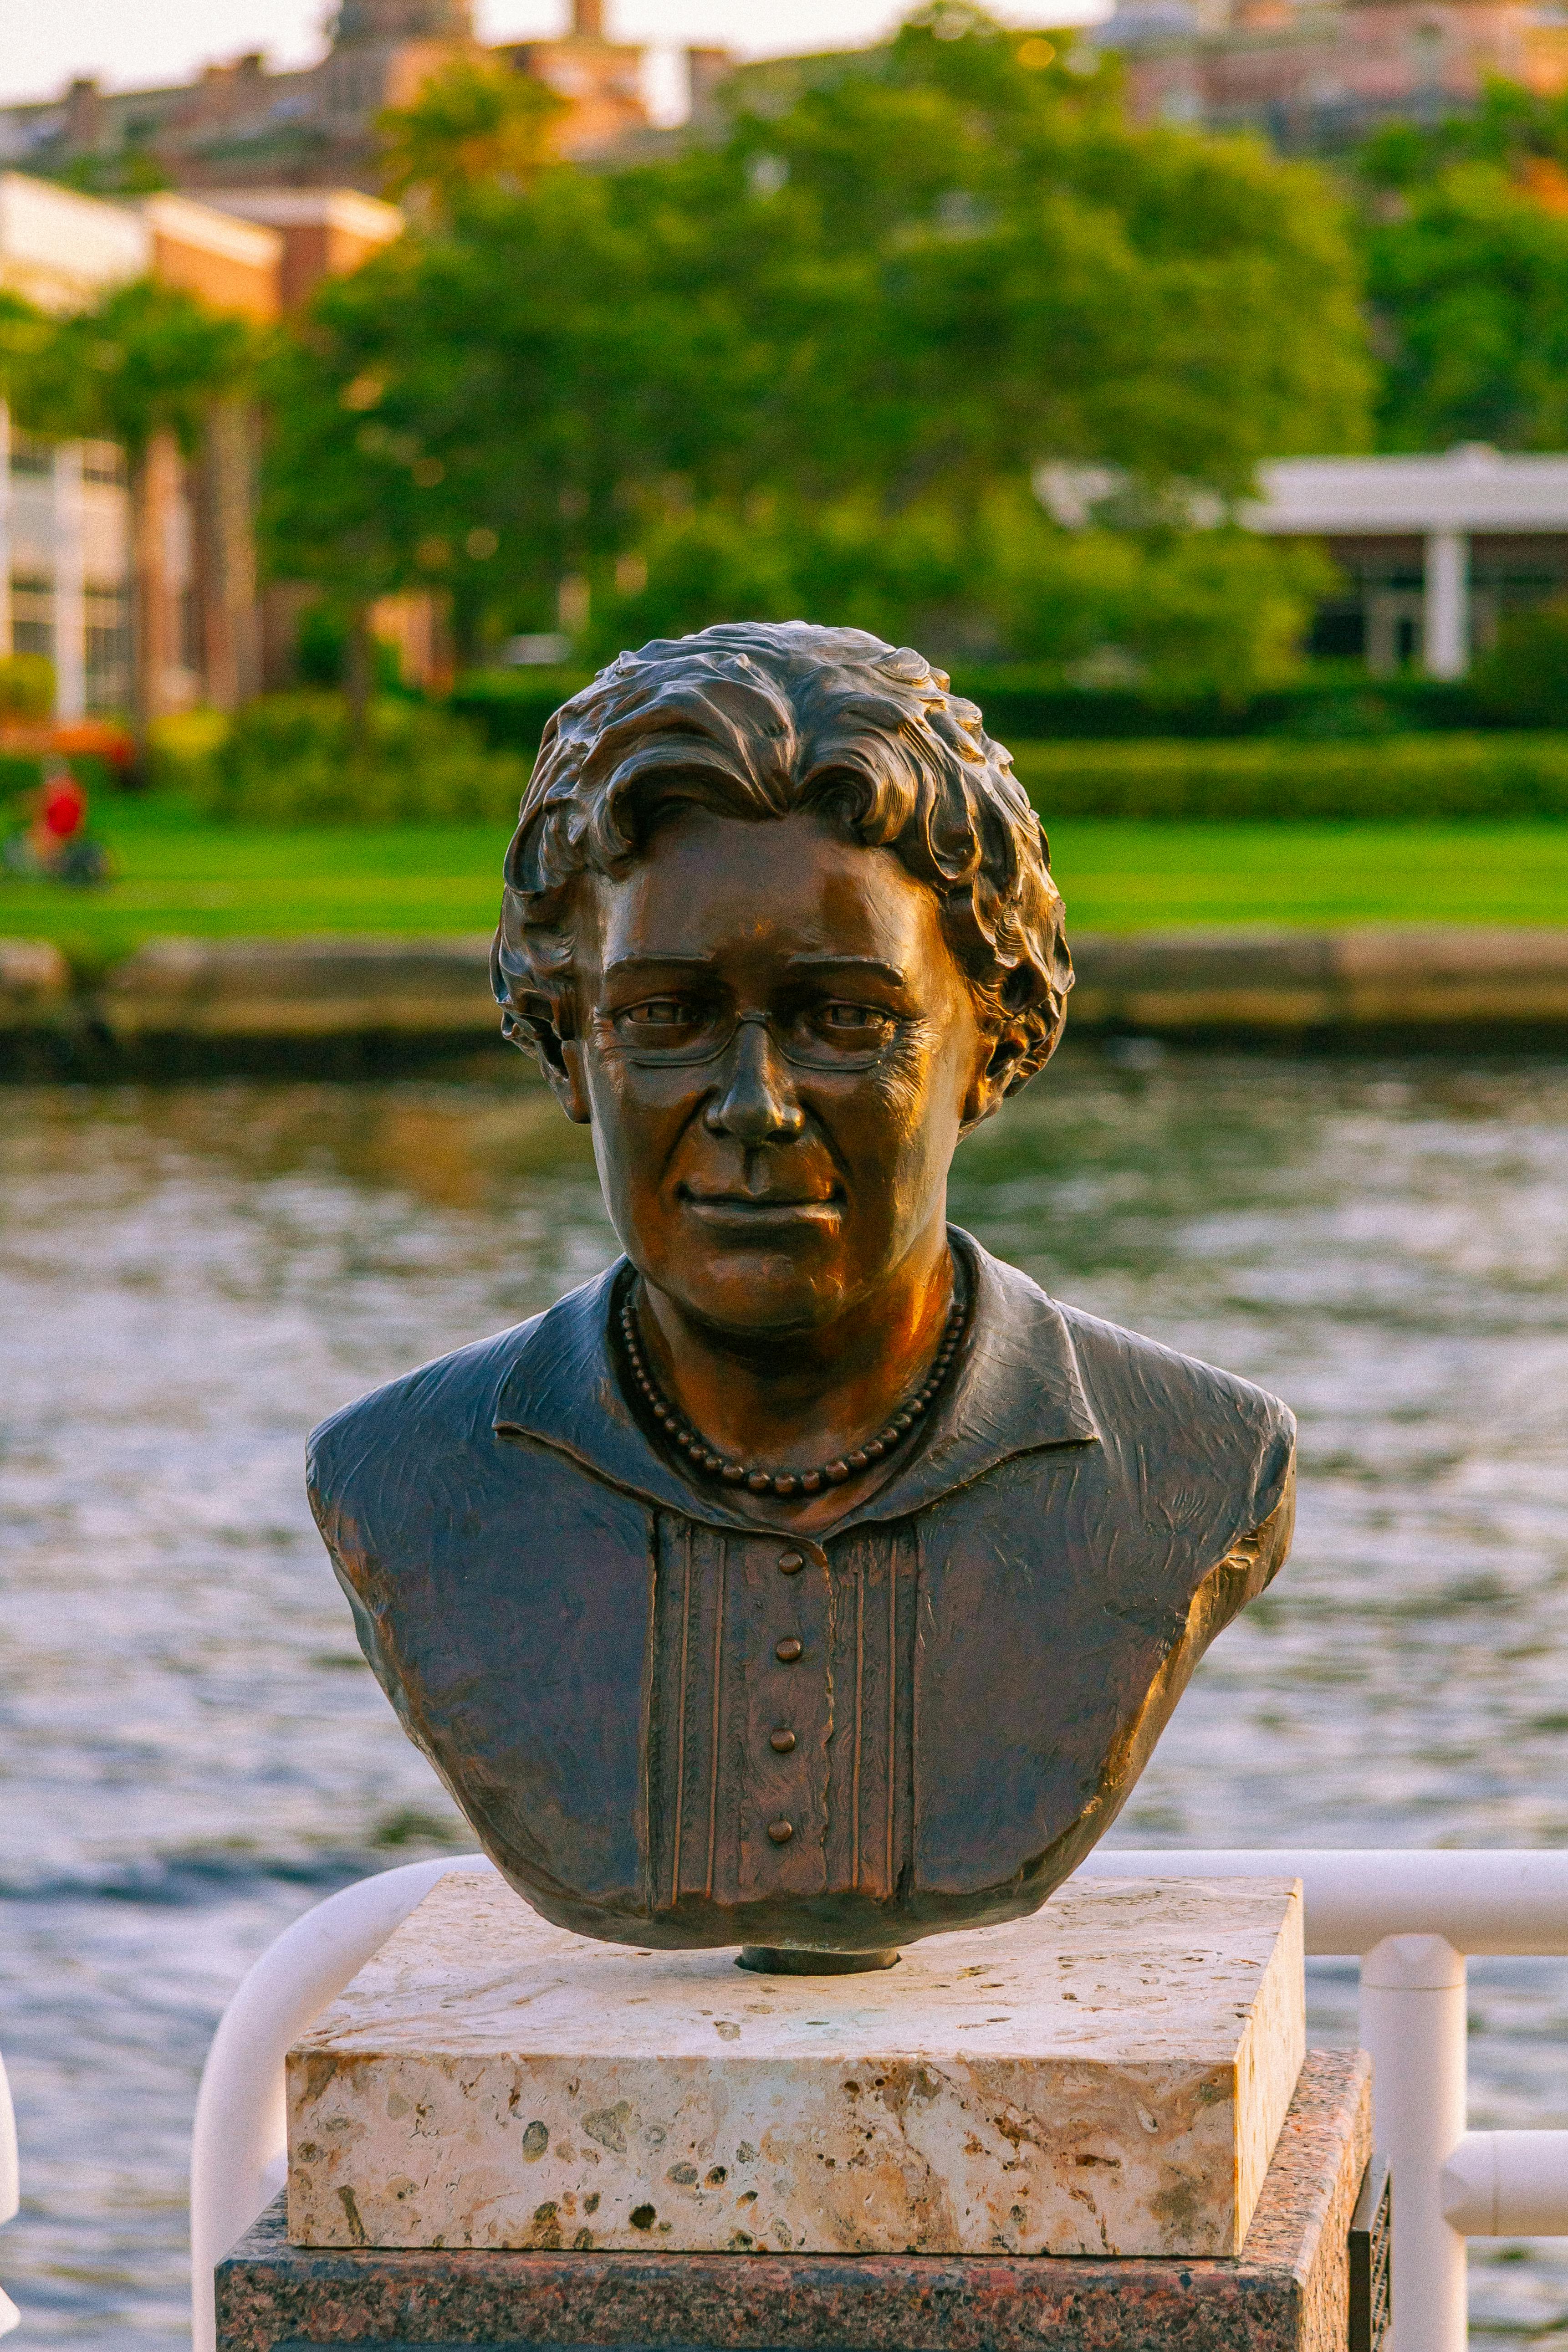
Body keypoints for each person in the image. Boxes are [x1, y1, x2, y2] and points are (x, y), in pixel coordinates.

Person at [308, 622, 1294, 1969]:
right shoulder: (399, 1479)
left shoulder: (1193, 1465)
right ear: (565, 1041)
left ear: (993, 1043)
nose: (751, 1105)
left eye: (844, 1019)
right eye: (665, 1017)